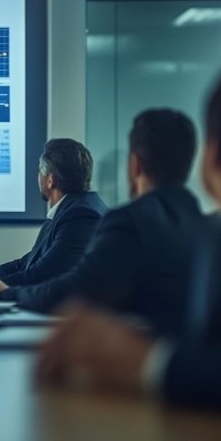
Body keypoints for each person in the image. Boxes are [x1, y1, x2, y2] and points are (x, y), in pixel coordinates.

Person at [36, 80, 221, 409]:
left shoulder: (144, 223)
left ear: (212, 158)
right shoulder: (201, 230)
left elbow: (75, 290)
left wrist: (149, 362)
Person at [0, 109, 202, 334]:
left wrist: (1, 293)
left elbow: (73, 291)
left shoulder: (126, 221)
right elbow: (28, 262)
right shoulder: (204, 225)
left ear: (134, 165)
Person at [0, 139, 107, 296]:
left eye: (39, 171)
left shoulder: (80, 215)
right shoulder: (71, 210)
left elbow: (43, 274)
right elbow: (25, 263)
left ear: (50, 180)